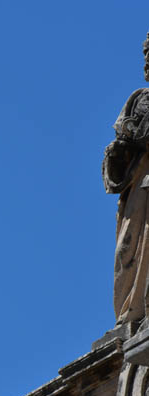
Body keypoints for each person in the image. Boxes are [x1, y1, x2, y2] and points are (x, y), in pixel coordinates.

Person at [103, 33, 149, 326]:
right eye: (146, 57)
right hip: (139, 186)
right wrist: (117, 153)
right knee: (126, 251)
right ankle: (129, 314)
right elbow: (115, 160)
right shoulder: (138, 100)